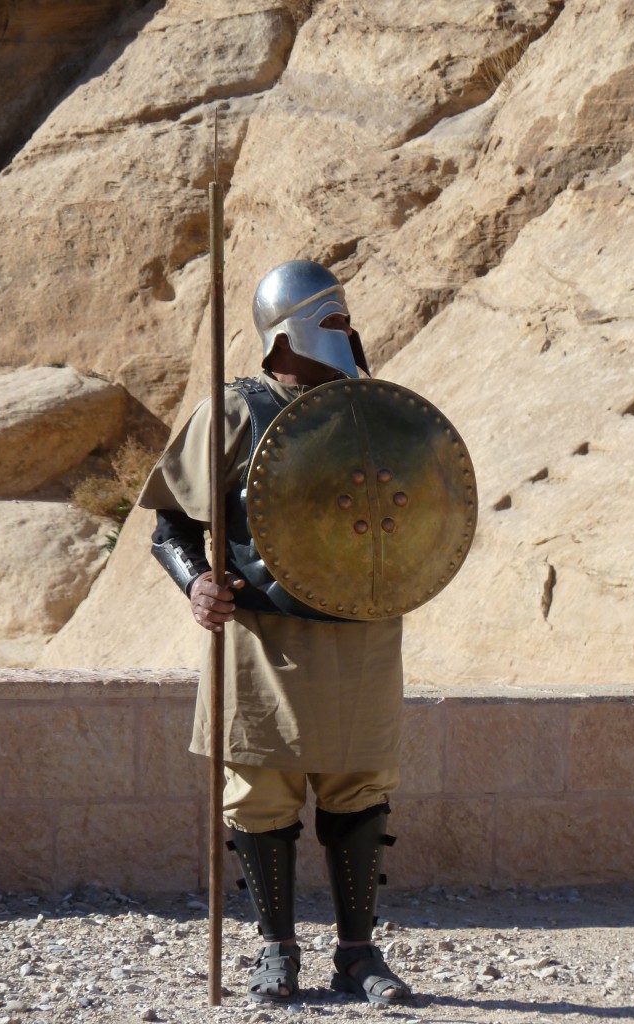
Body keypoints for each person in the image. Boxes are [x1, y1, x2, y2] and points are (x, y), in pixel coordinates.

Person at [138, 260, 412, 1006]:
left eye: (347, 319)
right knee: (260, 789)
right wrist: (196, 581)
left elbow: (417, 508)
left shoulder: (375, 412)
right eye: (329, 321)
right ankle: (276, 949)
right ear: (282, 336)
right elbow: (169, 524)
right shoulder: (235, 412)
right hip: (262, 634)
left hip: (360, 632)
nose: (345, 333)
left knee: (359, 789)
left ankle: (357, 954)